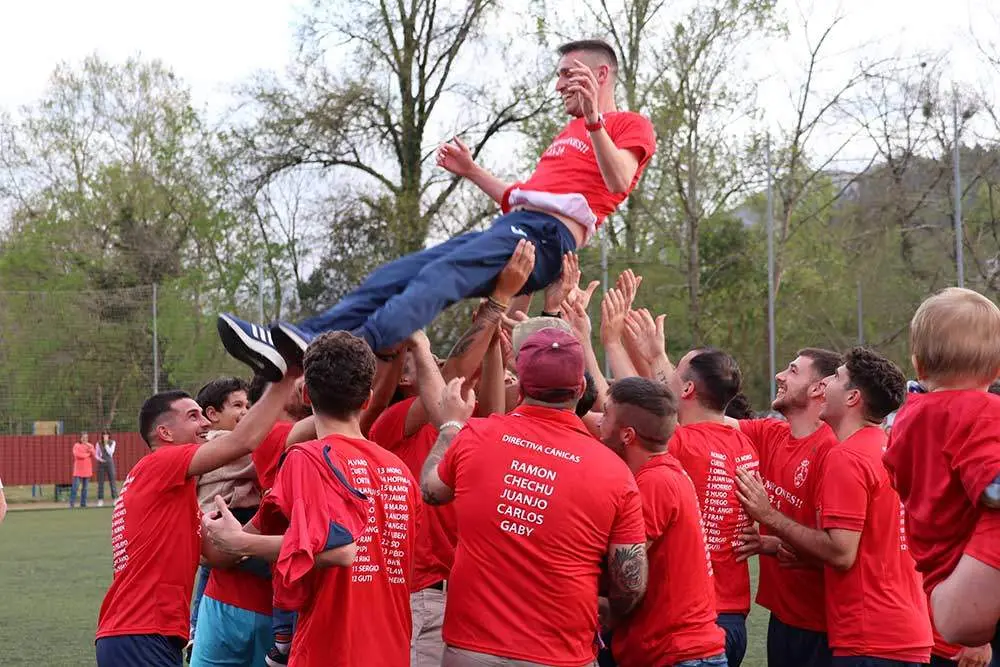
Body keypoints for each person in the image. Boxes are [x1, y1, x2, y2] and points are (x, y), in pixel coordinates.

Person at [215, 38, 657, 378]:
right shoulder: (567, 134)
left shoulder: (628, 125)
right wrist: (471, 170)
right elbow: (521, 195)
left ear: (601, 75)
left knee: (437, 278)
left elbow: (620, 179)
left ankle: (346, 354)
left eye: (568, 74)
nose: (559, 84)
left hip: (544, 239)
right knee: (399, 273)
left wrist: (596, 120)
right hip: (515, 224)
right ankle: (302, 338)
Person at [421, 328, 648, 667]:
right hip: (562, 652)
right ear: (582, 388)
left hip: (474, 649)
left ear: (523, 387)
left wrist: (451, 425)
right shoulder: (614, 470)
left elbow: (431, 489)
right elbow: (631, 582)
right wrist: (612, 609)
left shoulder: (476, 436)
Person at [202, 331, 422, 667]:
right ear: (367, 400)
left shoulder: (308, 458)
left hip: (332, 650)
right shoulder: (399, 470)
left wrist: (240, 542)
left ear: (306, 394)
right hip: (391, 648)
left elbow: (340, 550)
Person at [736, 347, 933, 667]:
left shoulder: (847, 457)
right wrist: (779, 544)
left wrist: (768, 515)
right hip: (903, 633)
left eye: (837, 378)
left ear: (853, 397)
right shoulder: (885, 446)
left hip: (870, 639)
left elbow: (841, 553)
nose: (825, 385)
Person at [94, 371, 299, 667]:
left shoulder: (174, 492)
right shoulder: (159, 462)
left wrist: (263, 515)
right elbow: (243, 442)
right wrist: (285, 379)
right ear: (165, 433)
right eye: (193, 417)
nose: (205, 423)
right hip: (140, 633)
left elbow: (218, 555)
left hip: (144, 634)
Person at [883, 288, 1000, 649]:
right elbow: (994, 489)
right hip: (975, 579)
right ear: (997, 370)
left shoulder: (907, 418)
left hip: (938, 572)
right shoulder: (981, 412)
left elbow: (897, 476)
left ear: (917, 364)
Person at [600, 377, 728, 667]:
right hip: (681, 652)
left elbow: (623, 570)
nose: (598, 422)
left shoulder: (654, 482)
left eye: (606, 413)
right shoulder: (664, 473)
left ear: (628, 435)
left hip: (676, 653)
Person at [730, 348, 843, 667]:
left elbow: (841, 549)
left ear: (819, 388)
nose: (779, 375)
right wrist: (652, 356)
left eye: (793, 371)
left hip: (825, 627)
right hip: (784, 618)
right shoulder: (772, 434)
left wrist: (770, 521)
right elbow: (700, 413)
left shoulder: (831, 450)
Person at [662, 348, 759, 667]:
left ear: (688, 389)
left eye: (675, 371)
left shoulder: (682, 443)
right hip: (734, 617)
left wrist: (613, 344)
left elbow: (629, 408)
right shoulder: (743, 444)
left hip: (694, 618)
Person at [189, 377, 278, 667]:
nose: (246, 412)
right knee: (273, 566)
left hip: (218, 521)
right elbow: (256, 458)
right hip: (224, 517)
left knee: (208, 574)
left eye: (248, 405)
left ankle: (193, 627)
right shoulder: (224, 443)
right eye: (238, 405)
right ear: (212, 414)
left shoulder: (210, 446)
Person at [70, 433, 96, 509]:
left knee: (85, 488)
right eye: (83, 437)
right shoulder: (76, 446)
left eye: (86, 437)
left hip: (87, 470)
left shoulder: (90, 445)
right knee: (75, 487)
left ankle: (83, 503)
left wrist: (90, 449)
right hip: (78, 470)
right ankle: (72, 503)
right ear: (80, 438)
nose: (85, 439)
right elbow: (78, 455)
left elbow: (94, 454)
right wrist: (87, 454)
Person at [94, 430, 118, 507]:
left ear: (109, 436)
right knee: (100, 482)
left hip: (110, 463)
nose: (105, 436)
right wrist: (100, 459)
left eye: (106, 435)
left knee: (112, 481)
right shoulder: (98, 443)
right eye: (104, 435)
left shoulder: (112, 442)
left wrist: (106, 443)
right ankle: (100, 500)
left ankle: (115, 499)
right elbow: (96, 454)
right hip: (101, 463)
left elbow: (111, 452)